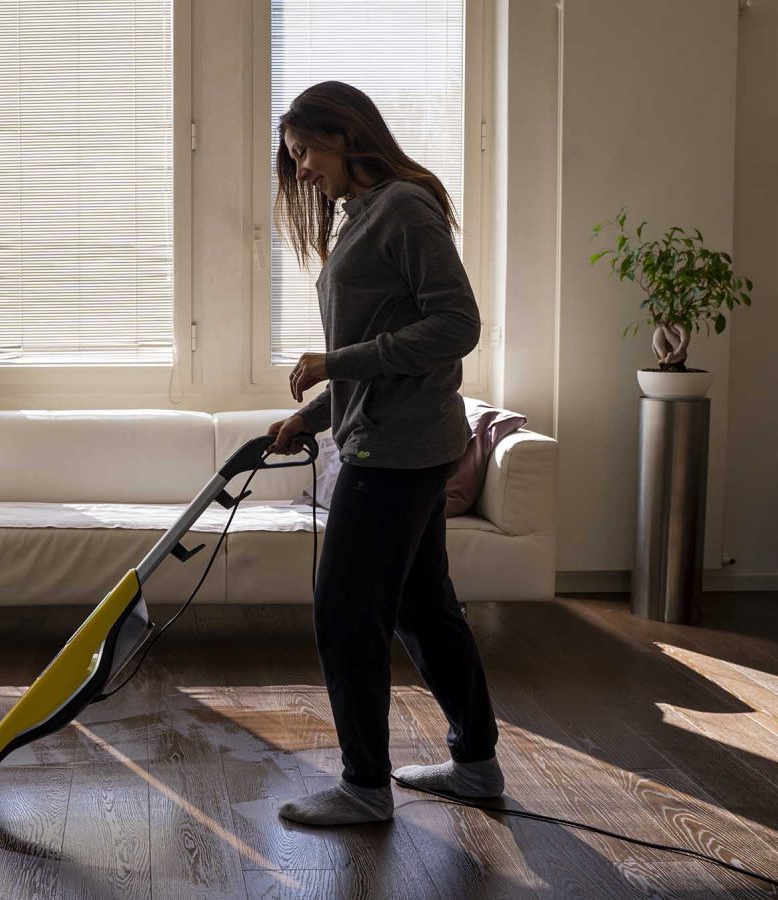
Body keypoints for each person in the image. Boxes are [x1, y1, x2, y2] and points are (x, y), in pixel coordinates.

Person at [264, 80, 503, 826]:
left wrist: (335, 366)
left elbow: (456, 325)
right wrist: (316, 413)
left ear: (343, 134)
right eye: (294, 157)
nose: (301, 169)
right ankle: (476, 765)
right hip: (394, 437)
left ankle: (365, 786)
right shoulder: (360, 214)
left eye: (305, 151)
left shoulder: (401, 206)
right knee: (421, 605)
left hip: (400, 452)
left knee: (344, 611)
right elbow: (384, 353)